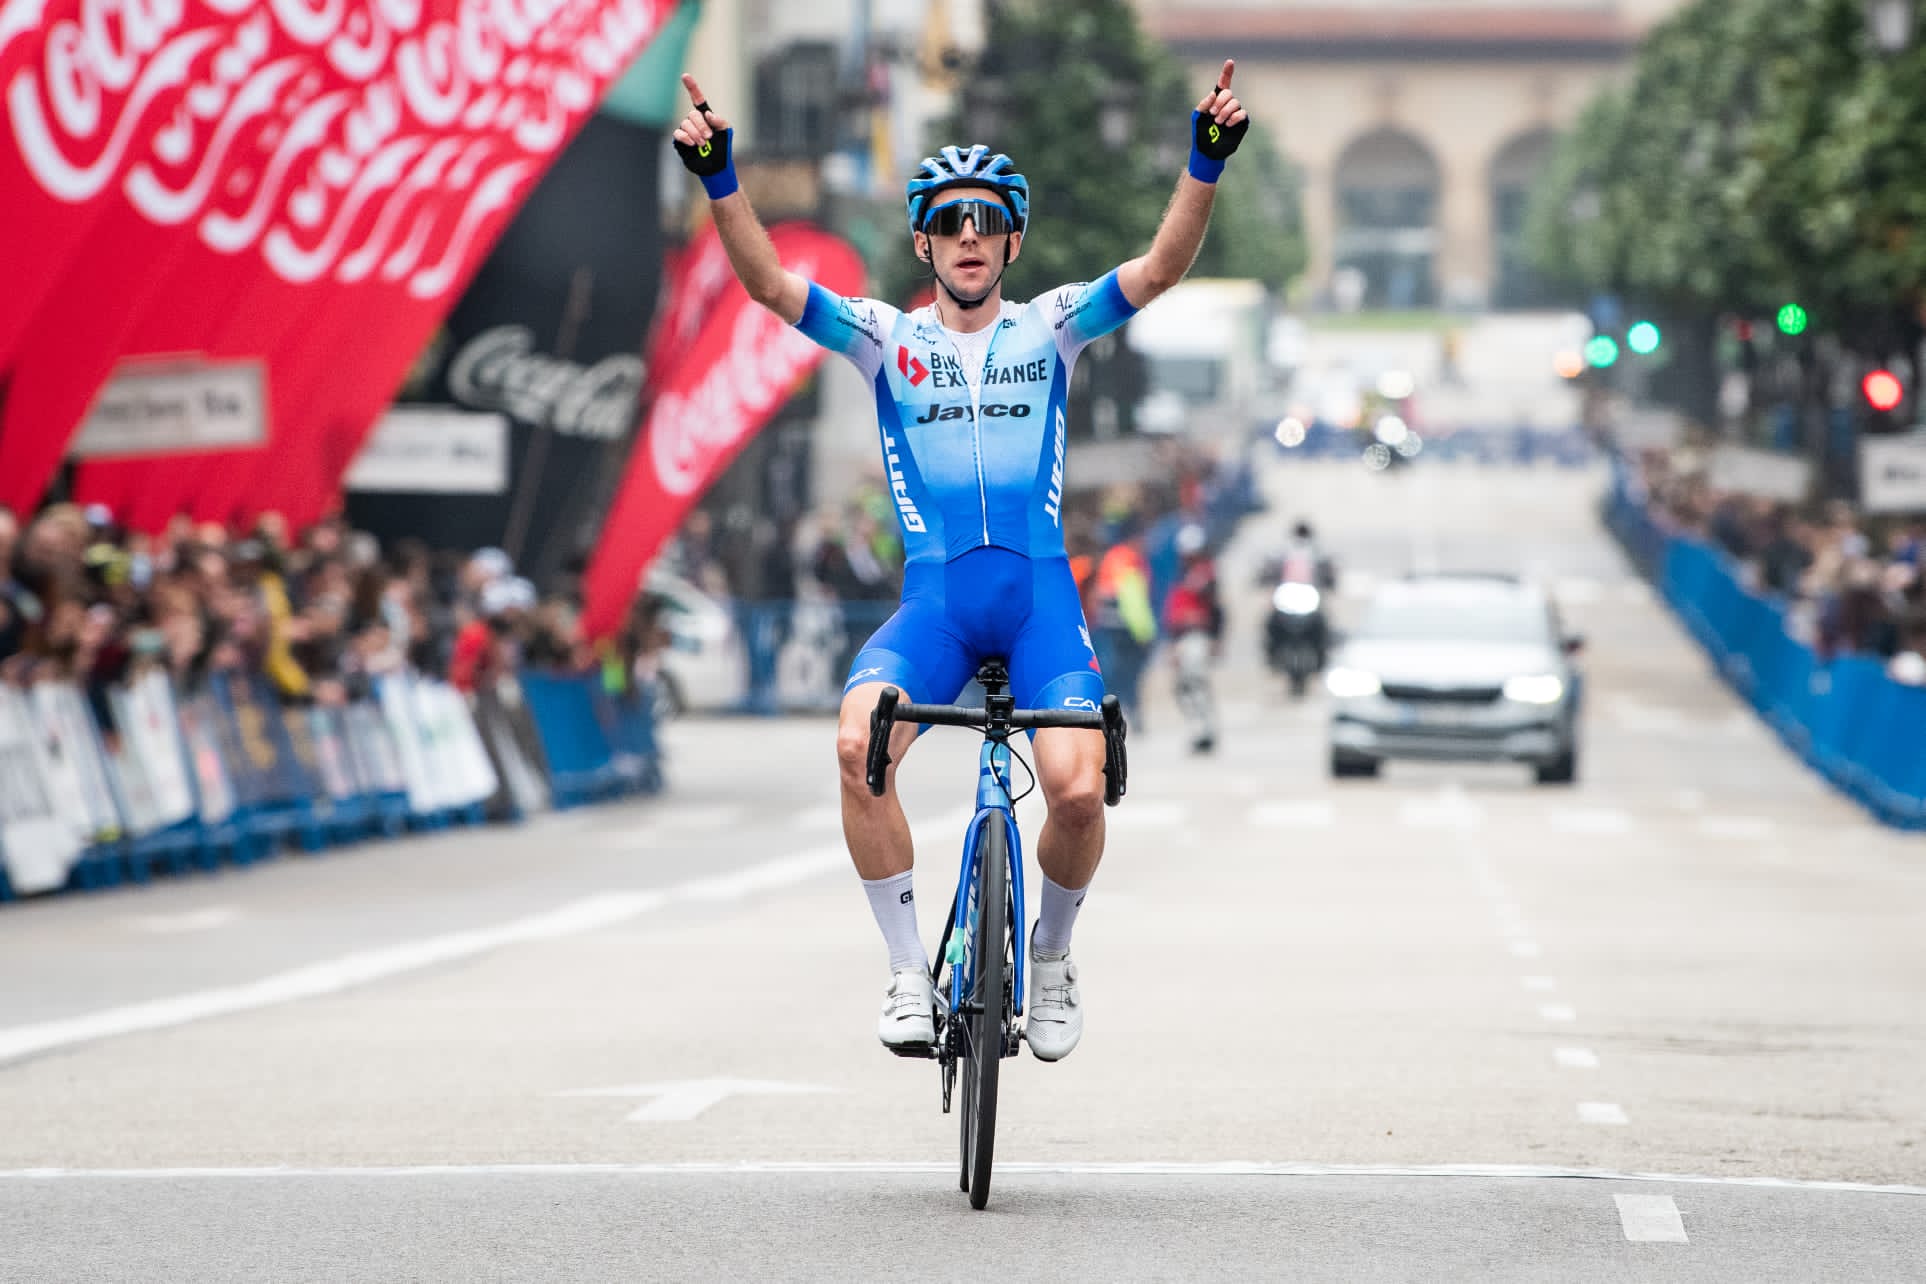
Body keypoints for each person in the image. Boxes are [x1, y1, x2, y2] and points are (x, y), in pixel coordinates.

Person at [671, 61, 1250, 1060]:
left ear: (1012, 240)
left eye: (986, 221)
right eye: (949, 222)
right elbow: (768, 285)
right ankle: (906, 973)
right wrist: (723, 180)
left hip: (1037, 603)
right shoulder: (882, 337)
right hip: (935, 606)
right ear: (924, 242)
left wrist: (1204, 162)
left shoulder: (1055, 325)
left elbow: (1157, 269)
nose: (969, 237)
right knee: (858, 749)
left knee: (1074, 789)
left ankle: (1055, 957)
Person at [1162, 524, 1223, 753]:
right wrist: (1171, 644)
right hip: (1180, 638)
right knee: (1181, 687)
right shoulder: (1180, 575)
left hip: (1198, 636)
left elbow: (1217, 610)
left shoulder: (1205, 574)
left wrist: (1215, 638)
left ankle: (1205, 730)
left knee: (1196, 681)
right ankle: (1196, 727)